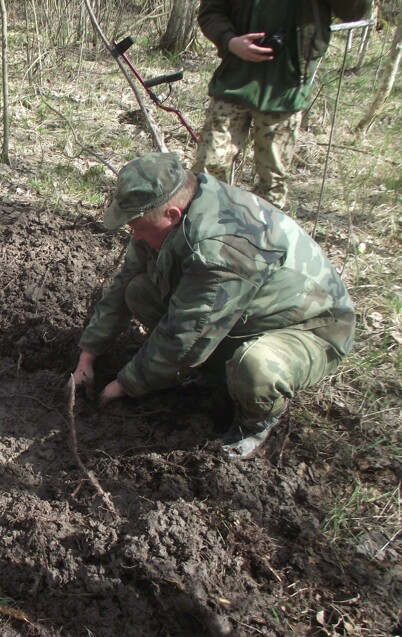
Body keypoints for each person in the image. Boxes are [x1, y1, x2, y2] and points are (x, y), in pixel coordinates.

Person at [72, 152, 355, 459]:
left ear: (172, 215)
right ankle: (211, 373)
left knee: (255, 367)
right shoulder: (167, 205)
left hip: (308, 328)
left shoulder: (219, 250)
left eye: (139, 228)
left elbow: (188, 336)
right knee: (139, 291)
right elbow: (124, 283)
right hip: (242, 312)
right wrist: (88, 356)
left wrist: (127, 383)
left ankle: (255, 422)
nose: (135, 236)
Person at [191, 0, 370, 209]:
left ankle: (259, 237)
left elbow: (354, 11)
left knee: (272, 183)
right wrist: (230, 41)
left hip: (286, 89)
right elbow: (211, 12)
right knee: (207, 171)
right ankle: (201, 231)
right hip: (234, 82)